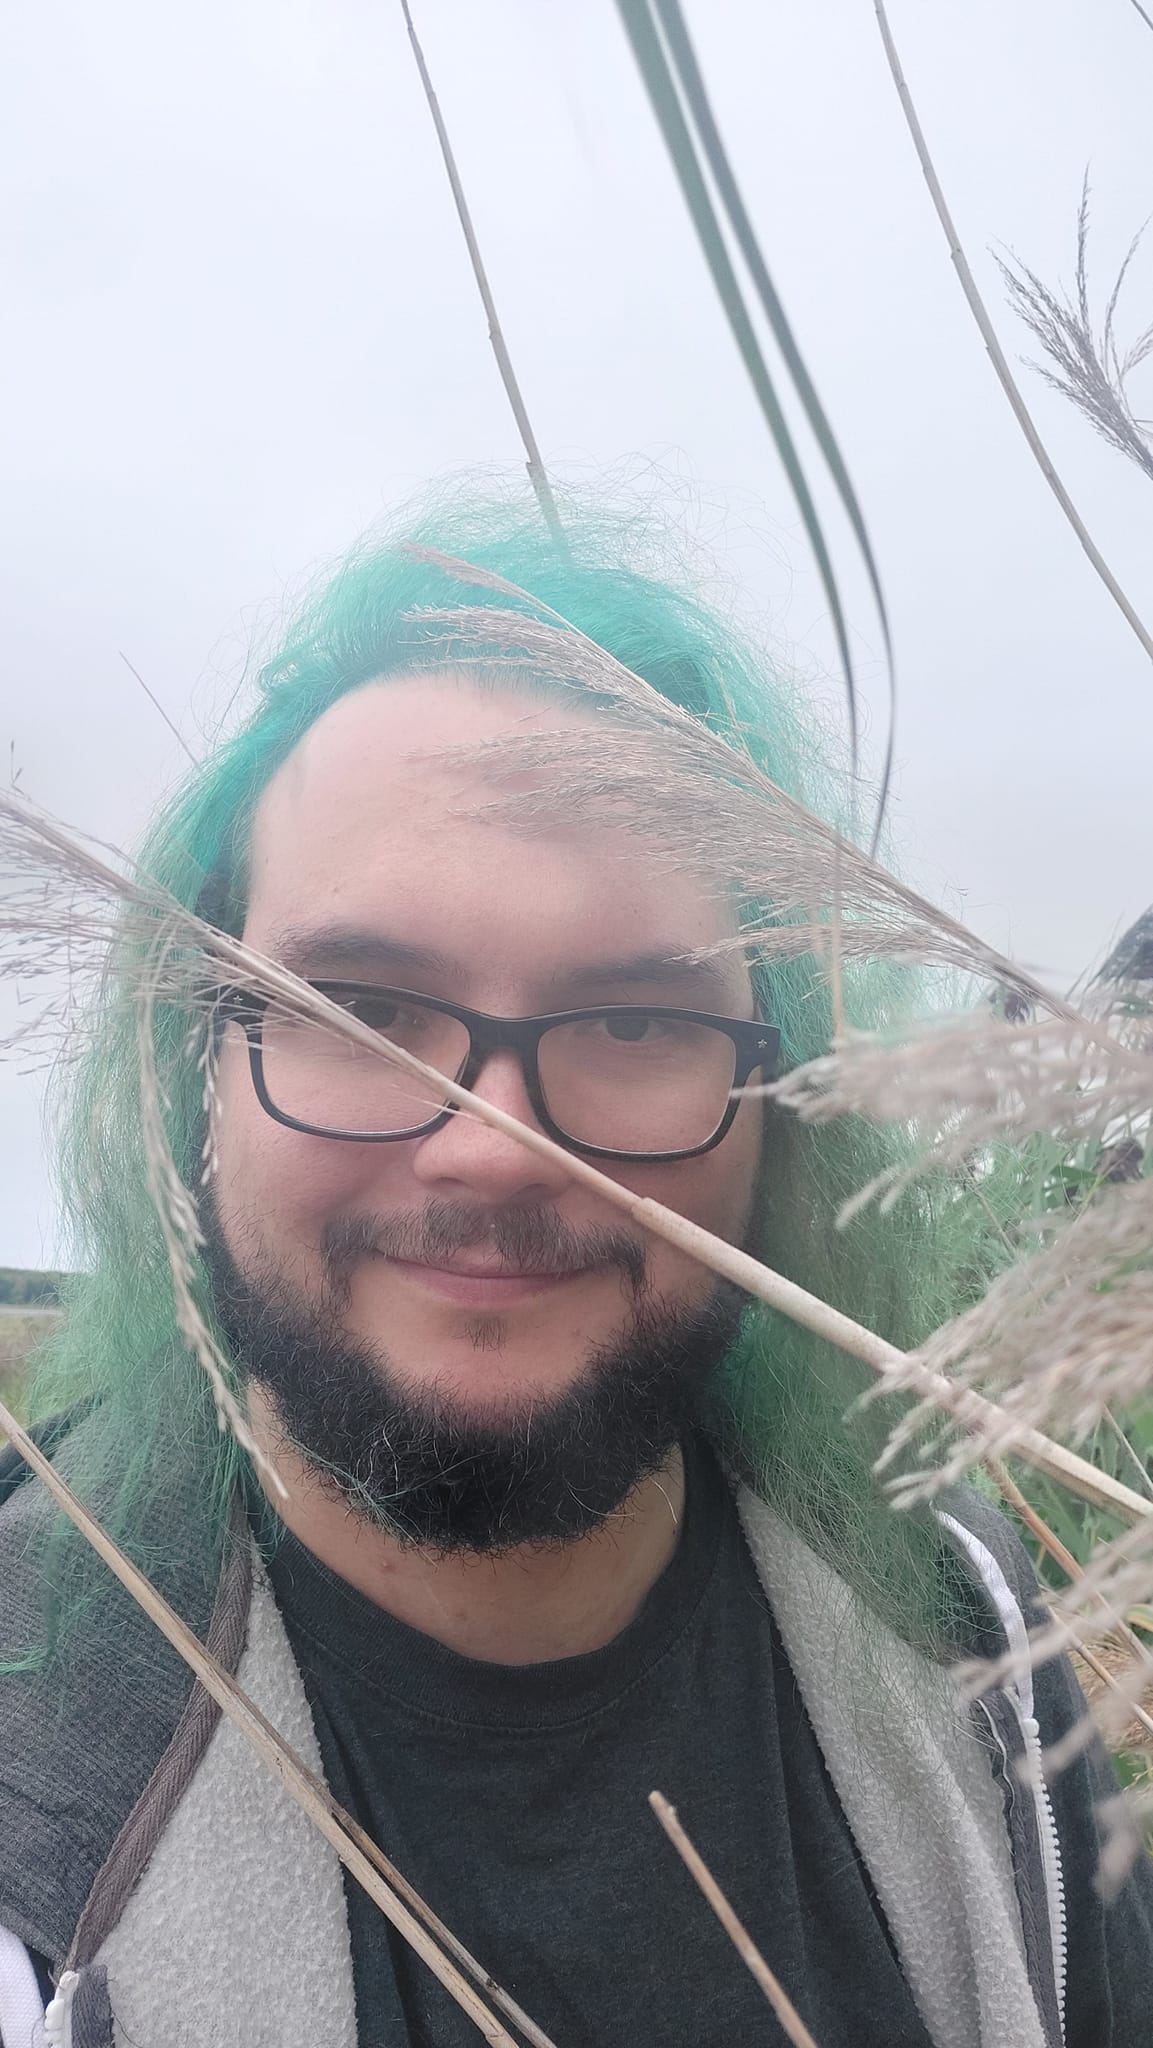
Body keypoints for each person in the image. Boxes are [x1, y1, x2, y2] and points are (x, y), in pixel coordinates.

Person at [0, 493, 1150, 2048]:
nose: (493, 1150)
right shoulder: (34, 1772)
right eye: (354, 1007)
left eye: (632, 1022)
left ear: (781, 1112)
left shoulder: (968, 1635)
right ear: (190, 1071)